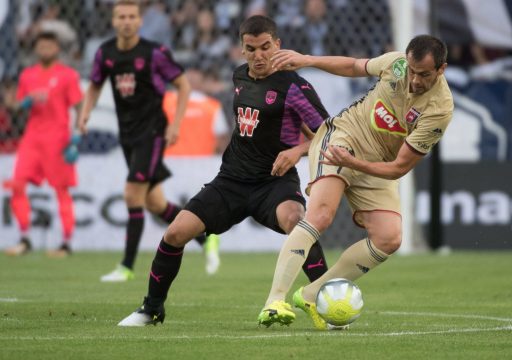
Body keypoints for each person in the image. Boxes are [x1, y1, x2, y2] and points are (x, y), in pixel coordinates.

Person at [118, 15, 330, 327]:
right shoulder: (239, 76)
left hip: (274, 182)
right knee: (176, 232)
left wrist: (297, 150)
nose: (259, 55)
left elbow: (328, 133)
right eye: (251, 48)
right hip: (230, 180)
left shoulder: (296, 85)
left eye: (265, 47)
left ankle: (326, 303)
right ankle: (151, 309)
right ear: (242, 50)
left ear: (278, 45)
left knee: (296, 222)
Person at [259, 34, 454, 329]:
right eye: (412, 71)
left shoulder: (439, 109)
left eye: (424, 74)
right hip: (343, 137)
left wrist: (354, 165)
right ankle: (275, 300)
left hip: (375, 164)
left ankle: (311, 294)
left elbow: (399, 167)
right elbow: (353, 66)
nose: (414, 80)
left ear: (441, 69)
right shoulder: (396, 64)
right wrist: (309, 60)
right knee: (321, 215)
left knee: (389, 238)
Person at [78, 0, 219, 281]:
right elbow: (94, 84)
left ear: (140, 21)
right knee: (155, 204)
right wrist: (84, 114)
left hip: (152, 133)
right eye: (122, 16)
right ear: (114, 21)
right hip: (128, 135)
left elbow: (183, 84)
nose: (127, 21)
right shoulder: (105, 53)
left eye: (132, 16)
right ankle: (206, 238)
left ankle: (126, 267)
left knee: (132, 194)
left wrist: (175, 125)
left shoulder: (154, 53)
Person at [4, 31, 83, 257]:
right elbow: (16, 107)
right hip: (32, 138)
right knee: (17, 185)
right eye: (41, 46)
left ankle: (66, 243)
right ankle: (24, 239)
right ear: (36, 49)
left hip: (58, 139)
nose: (45, 50)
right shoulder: (28, 75)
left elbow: (79, 106)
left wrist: (76, 137)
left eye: (50, 46)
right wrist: (25, 102)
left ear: (57, 49)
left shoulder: (68, 75)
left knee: (61, 189)